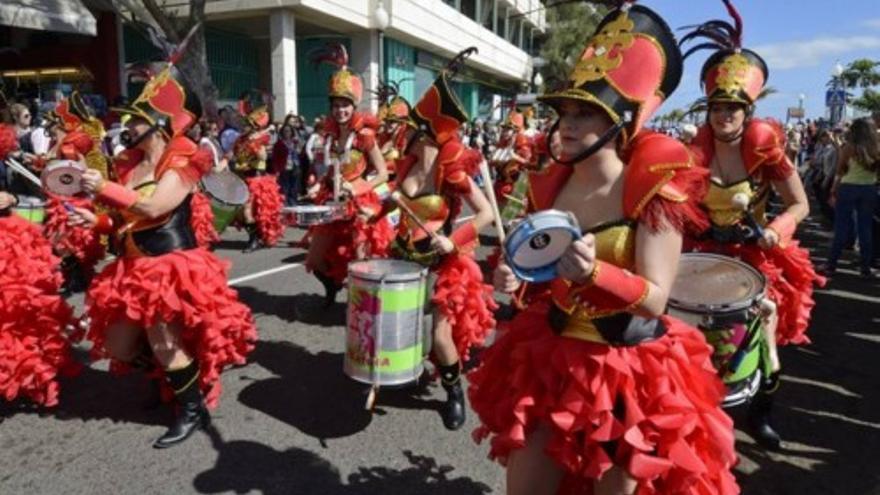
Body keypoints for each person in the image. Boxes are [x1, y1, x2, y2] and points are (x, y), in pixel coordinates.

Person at [468, 5, 739, 493]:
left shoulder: (655, 188)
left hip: (625, 368)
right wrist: (515, 281)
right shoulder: (549, 186)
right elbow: (543, 283)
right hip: (550, 358)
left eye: (586, 113)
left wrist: (596, 273)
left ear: (621, 121)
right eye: (565, 112)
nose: (567, 125)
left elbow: (658, 299)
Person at [67, 66, 257, 448]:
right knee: (119, 345)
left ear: (156, 123)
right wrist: (97, 219)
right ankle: (168, 380)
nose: (126, 125)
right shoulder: (129, 164)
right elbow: (123, 220)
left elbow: (155, 207)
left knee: (165, 343)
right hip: (131, 267)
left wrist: (102, 186)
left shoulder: (183, 157)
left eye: (134, 120)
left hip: (168, 266)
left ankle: (192, 409)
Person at [680, 0, 825, 450]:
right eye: (717, 107)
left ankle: (760, 415)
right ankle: (687, 414)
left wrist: (772, 230)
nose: (724, 115)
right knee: (685, 336)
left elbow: (800, 204)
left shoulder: (766, 147)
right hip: (701, 253)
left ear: (747, 111)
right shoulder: (692, 150)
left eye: (733, 108)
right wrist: (697, 226)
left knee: (764, 340)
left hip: (752, 253)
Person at [383, 49, 497, 430]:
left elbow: (486, 214)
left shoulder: (451, 171)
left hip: (441, 260)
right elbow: (391, 203)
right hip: (401, 254)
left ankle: (453, 392)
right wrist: (375, 210)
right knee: (393, 321)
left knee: (440, 336)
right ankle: (397, 371)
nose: (405, 135)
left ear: (427, 134)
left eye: (412, 129)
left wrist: (455, 239)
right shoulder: (407, 165)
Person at [305, 44, 393, 305]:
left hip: (358, 206)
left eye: (345, 105)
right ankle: (332, 286)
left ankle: (364, 307)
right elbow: (330, 168)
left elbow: (383, 174)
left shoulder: (365, 136)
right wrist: (318, 184)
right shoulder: (329, 135)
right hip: (330, 203)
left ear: (353, 106)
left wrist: (357, 188)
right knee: (315, 259)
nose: (340, 110)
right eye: (336, 105)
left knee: (361, 261)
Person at [0, 123, 77, 409]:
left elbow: (27, 190)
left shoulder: (8, 154)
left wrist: (13, 197)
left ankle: (29, 377)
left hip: (12, 239)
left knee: (25, 309)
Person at [824, 118, 879, 278]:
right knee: (865, 229)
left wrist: (833, 189)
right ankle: (865, 268)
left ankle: (831, 265)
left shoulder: (849, 147)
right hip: (869, 189)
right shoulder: (876, 148)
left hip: (848, 188)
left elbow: (840, 170)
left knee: (841, 227)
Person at [233, 99, 285, 252]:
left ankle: (254, 241)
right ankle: (257, 237)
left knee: (249, 211)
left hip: (257, 180)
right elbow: (234, 156)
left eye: (245, 123)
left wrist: (256, 145)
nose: (243, 126)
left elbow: (263, 157)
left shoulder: (260, 139)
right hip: (243, 179)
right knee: (243, 214)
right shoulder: (241, 140)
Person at [272, 124, 302, 206]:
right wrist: (276, 169)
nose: (287, 133)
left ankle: (293, 201)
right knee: (285, 185)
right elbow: (275, 157)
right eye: (285, 131)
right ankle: (285, 201)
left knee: (294, 185)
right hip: (284, 166)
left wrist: (298, 144)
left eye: (289, 131)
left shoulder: (294, 142)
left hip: (295, 164)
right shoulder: (279, 143)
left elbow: (300, 152)